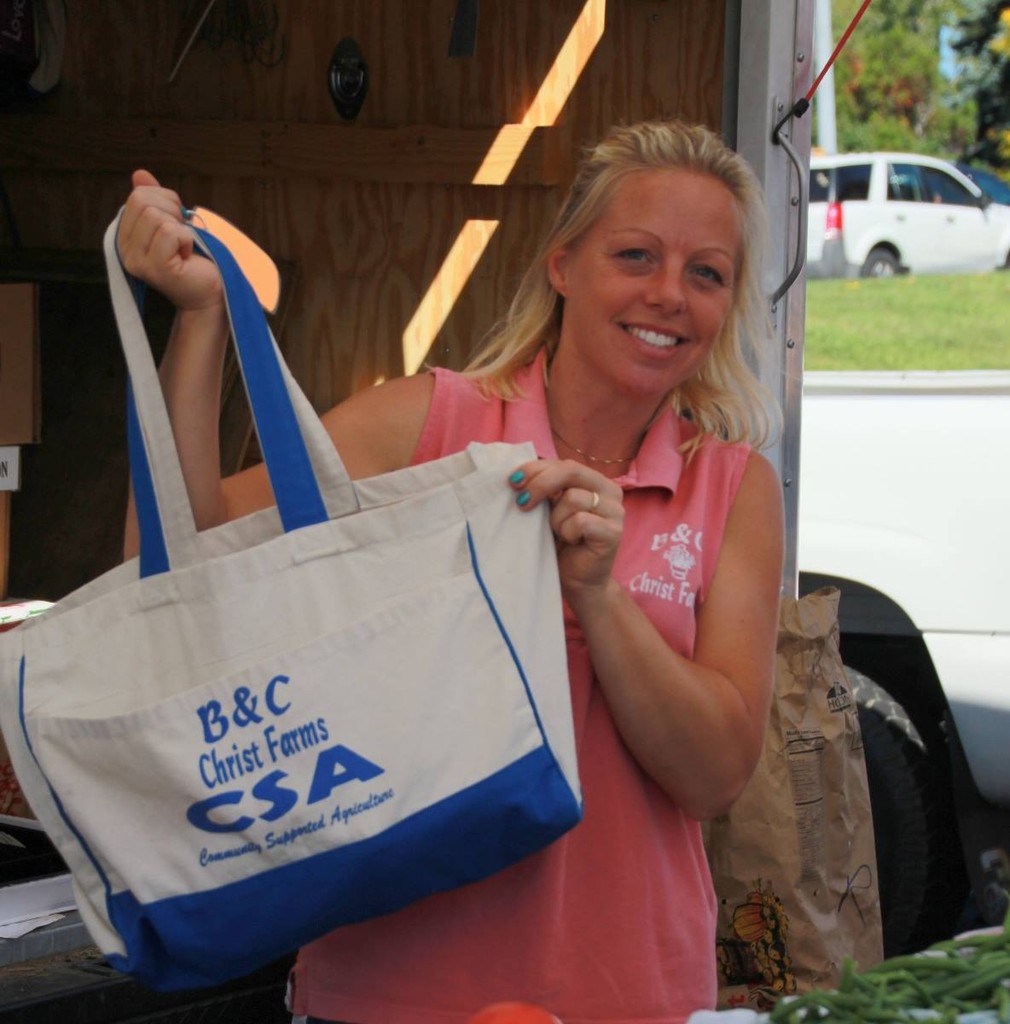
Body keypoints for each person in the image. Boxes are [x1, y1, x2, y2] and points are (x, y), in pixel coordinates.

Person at [117, 118, 785, 1024]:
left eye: (706, 273)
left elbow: (715, 776)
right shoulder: (427, 427)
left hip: (635, 995)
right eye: (636, 255)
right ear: (562, 266)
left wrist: (598, 598)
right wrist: (198, 321)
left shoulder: (733, 487)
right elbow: (169, 556)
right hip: (390, 994)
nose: (669, 294)